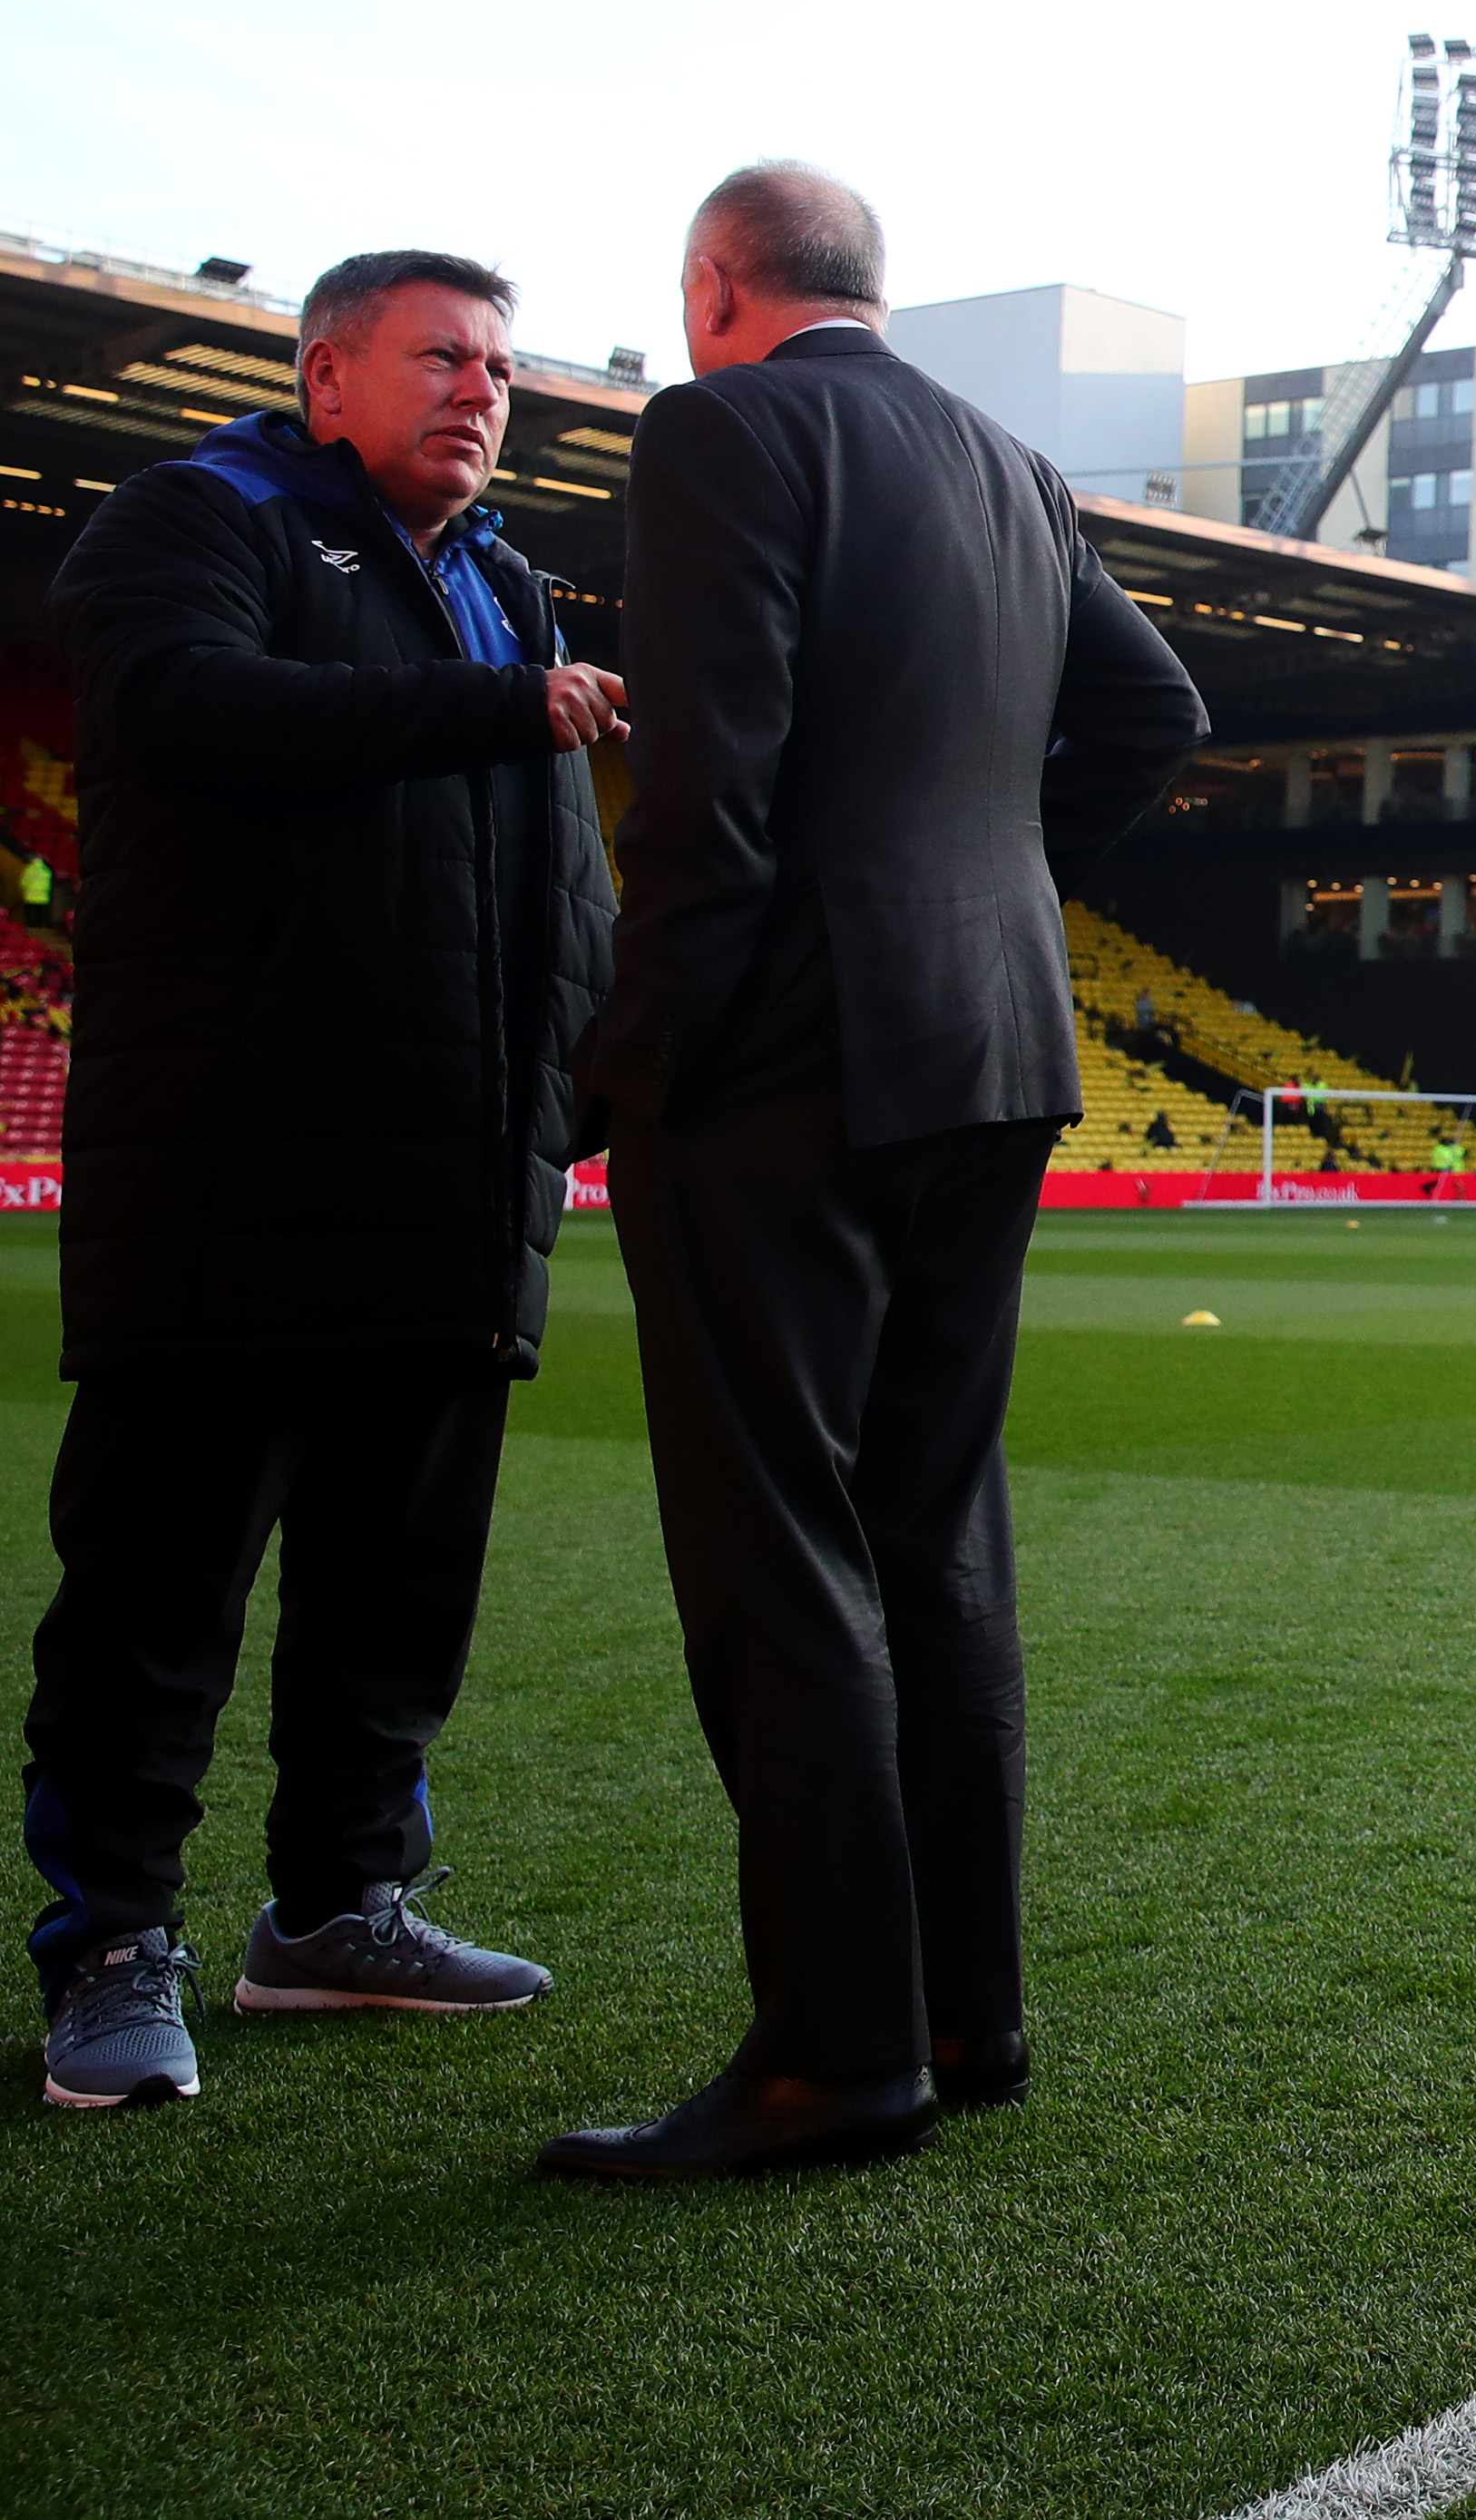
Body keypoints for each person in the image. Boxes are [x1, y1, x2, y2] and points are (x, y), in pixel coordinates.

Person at [543, 165, 1205, 2180]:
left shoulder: (721, 423)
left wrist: (625, 1070)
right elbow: (1151, 709)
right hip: (990, 1042)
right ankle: (959, 2006)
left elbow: (708, 788)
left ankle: (839, 2051)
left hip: (783, 1066)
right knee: (933, 1526)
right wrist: (981, 896)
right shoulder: (1003, 459)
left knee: (779, 1540)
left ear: (713, 287)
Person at [25, 250, 622, 2108]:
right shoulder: (191, 522)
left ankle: (339, 1906)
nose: (482, 389)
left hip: (455, 1187)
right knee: (156, 1589)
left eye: (504, 368)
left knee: (398, 1584)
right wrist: (494, 709)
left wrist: (562, 1105)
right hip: (229, 1172)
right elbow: (201, 717)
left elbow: (562, 894)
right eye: (442, 355)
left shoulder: (505, 582)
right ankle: (113, 1944)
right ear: (324, 375)